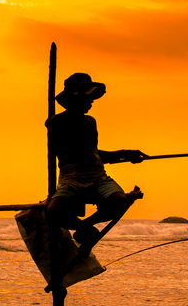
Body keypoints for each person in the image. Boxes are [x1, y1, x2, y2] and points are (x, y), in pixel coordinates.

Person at [45, 73, 148, 247]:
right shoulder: (56, 122)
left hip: (98, 176)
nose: (91, 102)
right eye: (88, 98)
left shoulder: (91, 121)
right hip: (71, 178)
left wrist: (124, 154)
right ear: (75, 98)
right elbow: (66, 152)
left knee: (119, 201)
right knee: (54, 211)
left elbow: (93, 153)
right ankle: (83, 228)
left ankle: (84, 226)